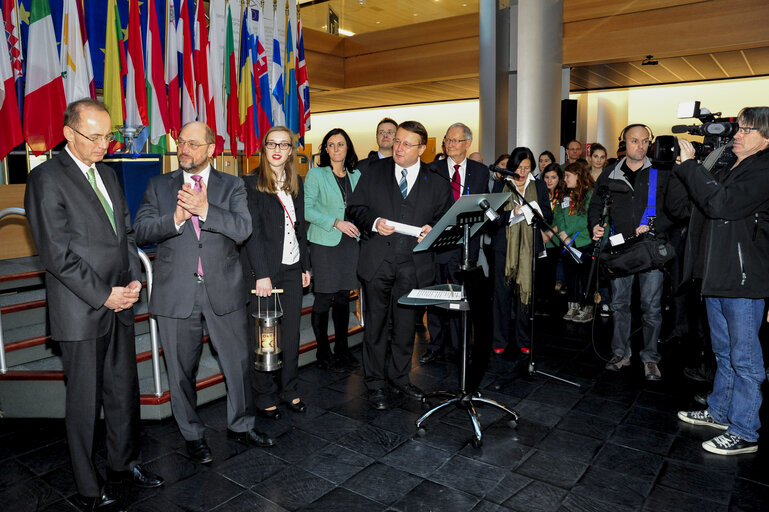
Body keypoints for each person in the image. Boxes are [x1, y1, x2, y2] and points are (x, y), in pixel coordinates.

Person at [24, 98, 164, 510]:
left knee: (123, 391)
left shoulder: (107, 174)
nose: (105, 145)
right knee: (84, 403)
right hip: (82, 308)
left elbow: (126, 233)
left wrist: (134, 279)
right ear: (69, 134)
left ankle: (124, 464)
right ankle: (88, 487)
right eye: (96, 136)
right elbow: (56, 253)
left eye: (109, 136)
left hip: (121, 301)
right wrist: (105, 293)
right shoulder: (47, 178)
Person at [135, 121, 274, 465]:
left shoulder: (232, 186)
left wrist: (206, 210)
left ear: (212, 149)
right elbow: (140, 230)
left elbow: (243, 228)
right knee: (181, 371)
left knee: (238, 363)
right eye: (181, 142)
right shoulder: (158, 185)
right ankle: (193, 435)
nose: (184, 149)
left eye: (194, 144)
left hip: (223, 289)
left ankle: (241, 425)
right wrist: (177, 218)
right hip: (175, 293)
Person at [675, 107, 769, 455]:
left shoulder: (764, 170)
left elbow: (721, 205)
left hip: (743, 280)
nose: (737, 135)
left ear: (767, 138)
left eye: (747, 130)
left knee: (745, 360)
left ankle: (745, 430)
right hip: (718, 274)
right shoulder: (734, 165)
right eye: (739, 129)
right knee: (724, 352)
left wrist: (690, 168)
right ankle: (720, 411)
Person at [347, 120, 453, 410]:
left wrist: (435, 227)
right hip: (377, 262)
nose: (399, 147)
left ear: (422, 149)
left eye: (407, 143)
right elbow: (355, 208)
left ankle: (399, 377)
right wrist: (374, 222)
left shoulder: (438, 182)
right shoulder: (372, 172)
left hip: (414, 265)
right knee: (376, 327)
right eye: (397, 141)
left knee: (406, 327)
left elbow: (447, 219)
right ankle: (375, 383)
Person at [588, 124, 673, 381]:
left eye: (645, 141)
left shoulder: (662, 171)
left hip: (650, 250)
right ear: (624, 143)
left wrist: (657, 226)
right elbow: (595, 204)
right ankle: (620, 353)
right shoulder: (610, 174)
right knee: (620, 305)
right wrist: (595, 225)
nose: (641, 146)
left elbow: (676, 208)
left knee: (651, 308)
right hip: (620, 250)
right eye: (635, 141)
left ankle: (649, 358)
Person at [242, 126, 312, 419]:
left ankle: (289, 389)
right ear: (264, 147)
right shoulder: (249, 183)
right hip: (265, 272)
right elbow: (252, 233)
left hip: (292, 268)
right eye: (272, 143)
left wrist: (306, 265)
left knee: (291, 334)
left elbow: (300, 229)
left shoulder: (297, 183)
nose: (277, 149)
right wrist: (260, 273)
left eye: (284, 145)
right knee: (263, 336)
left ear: (291, 151)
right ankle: (264, 394)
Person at [420, 123, 489, 365]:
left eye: (455, 141)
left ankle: (461, 345)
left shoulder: (481, 172)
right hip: (439, 243)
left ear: (468, 144)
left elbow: (483, 207)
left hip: (467, 244)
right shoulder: (433, 169)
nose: (449, 144)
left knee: (462, 296)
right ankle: (435, 344)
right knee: (437, 293)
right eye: (447, 140)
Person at [304, 128, 361, 372]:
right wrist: (336, 222)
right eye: (331, 144)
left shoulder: (357, 174)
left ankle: (342, 348)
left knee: (342, 298)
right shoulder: (316, 175)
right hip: (324, 242)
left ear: (348, 147)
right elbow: (306, 208)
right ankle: (323, 350)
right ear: (325, 150)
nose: (336, 148)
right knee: (324, 297)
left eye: (340, 144)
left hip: (350, 243)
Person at [490, 147, 552, 359]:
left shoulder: (540, 186)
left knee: (526, 295)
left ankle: (523, 339)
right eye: (519, 168)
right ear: (512, 167)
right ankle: (500, 340)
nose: (523, 172)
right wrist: (511, 214)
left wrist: (537, 215)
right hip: (503, 248)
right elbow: (493, 218)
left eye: (527, 168)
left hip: (529, 247)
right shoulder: (501, 185)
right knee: (502, 295)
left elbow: (548, 216)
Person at [553, 161, 596, 323]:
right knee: (570, 276)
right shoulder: (564, 194)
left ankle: (588, 308)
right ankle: (573, 306)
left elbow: (586, 219)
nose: (565, 179)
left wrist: (570, 235)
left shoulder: (590, 194)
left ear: (578, 176)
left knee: (586, 278)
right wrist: (563, 234)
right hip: (567, 243)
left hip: (584, 241)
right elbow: (559, 214)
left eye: (567, 176)